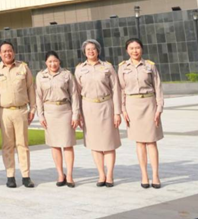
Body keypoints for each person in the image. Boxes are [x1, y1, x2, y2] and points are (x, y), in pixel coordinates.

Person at [118, 38, 165, 189]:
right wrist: (123, 110)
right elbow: (121, 90)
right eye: (131, 48)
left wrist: (159, 108)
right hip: (132, 106)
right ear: (127, 50)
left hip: (149, 104)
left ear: (142, 49)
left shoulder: (150, 66)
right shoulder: (122, 67)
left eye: (137, 47)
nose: (134, 51)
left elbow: (158, 87)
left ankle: (156, 175)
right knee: (139, 142)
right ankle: (144, 175)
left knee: (151, 141)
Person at [75, 39, 122, 187]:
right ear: (84, 52)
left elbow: (116, 89)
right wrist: (78, 114)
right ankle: (101, 174)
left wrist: (117, 112)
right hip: (88, 107)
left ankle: (110, 175)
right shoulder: (79, 69)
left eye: (93, 49)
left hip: (106, 106)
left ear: (98, 51)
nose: (90, 52)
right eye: (87, 49)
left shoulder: (107, 67)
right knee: (94, 143)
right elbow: (76, 92)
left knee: (109, 142)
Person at [0, 41, 36, 188]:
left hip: (21, 110)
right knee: (7, 145)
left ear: (14, 52)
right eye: (4, 51)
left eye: (9, 51)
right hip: (3, 112)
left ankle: (26, 176)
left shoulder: (23, 68)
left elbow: (30, 88)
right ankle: (10, 175)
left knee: (23, 144)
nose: (7, 53)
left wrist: (33, 108)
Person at [35, 51, 81, 188]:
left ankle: (70, 175)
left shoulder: (66, 75)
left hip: (65, 111)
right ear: (46, 63)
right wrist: (41, 115)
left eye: (55, 61)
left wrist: (75, 114)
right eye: (50, 62)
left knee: (67, 144)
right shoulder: (40, 76)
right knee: (54, 145)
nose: (53, 64)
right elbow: (38, 96)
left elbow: (74, 95)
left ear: (59, 61)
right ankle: (60, 174)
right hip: (49, 112)